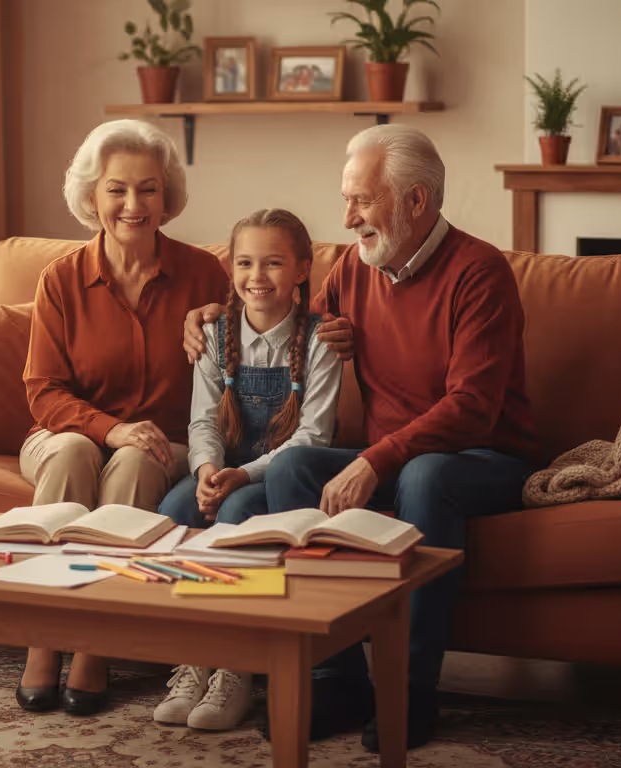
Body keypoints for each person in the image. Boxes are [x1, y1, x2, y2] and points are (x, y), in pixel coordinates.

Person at [183, 124, 538, 751]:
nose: (346, 218)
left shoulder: (479, 272)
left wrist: (377, 459)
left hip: (483, 457)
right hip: (392, 456)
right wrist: (214, 317)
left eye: (362, 201)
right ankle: (336, 676)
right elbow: (287, 321)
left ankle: (411, 691)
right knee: (295, 471)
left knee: (428, 474)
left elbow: (474, 408)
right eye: (347, 200)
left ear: (417, 202)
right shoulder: (355, 267)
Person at [17, 119, 229, 717]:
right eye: (117, 189)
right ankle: (44, 634)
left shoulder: (205, 275)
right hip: (64, 434)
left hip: (166, 443)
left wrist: (224, 326)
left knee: (137, 456)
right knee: (74, 452)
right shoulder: (60, 279)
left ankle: (94, 643)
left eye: (148, 189)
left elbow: (259, 356)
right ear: (92, 197)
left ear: (168, 198)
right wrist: (108, 427)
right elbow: (43, 390)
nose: (133, 205)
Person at [153, 209, 342, 731]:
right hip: (222, 470)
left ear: (303, 269)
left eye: (274, 263)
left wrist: (243, 475)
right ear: (230, 269)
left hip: (270, 479)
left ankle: (236, 668)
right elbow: (203, 421)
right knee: (172, 510)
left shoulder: (322, 338)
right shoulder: (215, 333)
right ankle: (195, 659)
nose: (257, 276)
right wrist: (208, 468)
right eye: (245, 263)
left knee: (236, 512)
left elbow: (313, 437)